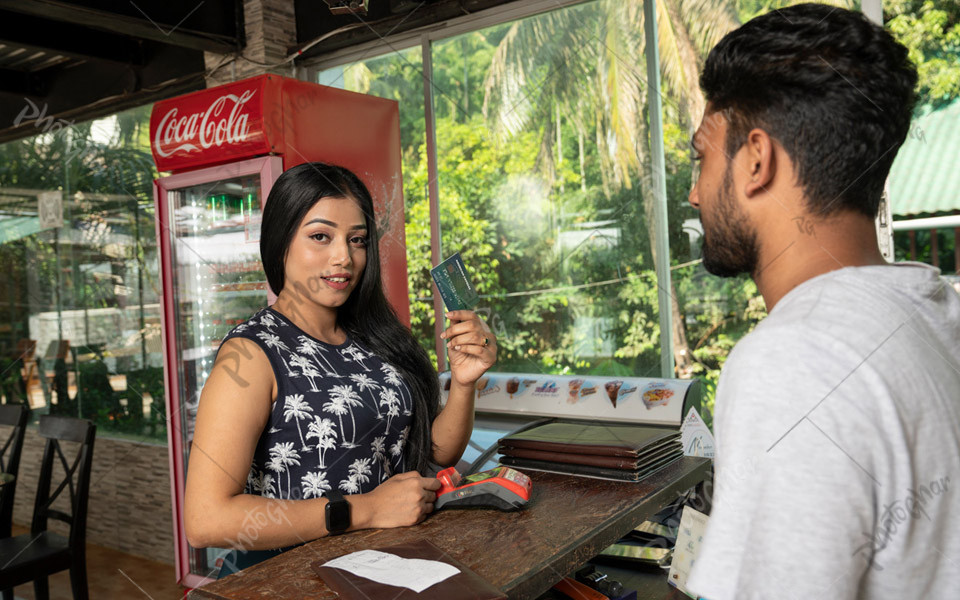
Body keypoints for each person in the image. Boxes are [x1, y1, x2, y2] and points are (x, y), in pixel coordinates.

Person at [683, 4, 960, 599]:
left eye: (701, 158)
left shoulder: (795, 361)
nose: (694, 191)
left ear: (756, 160)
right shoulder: (938, 311)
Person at [183, 163, 496, 576]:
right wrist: (364, 510)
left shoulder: (373, 339)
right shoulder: (250, 356)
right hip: (287, 580)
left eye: (357, 240)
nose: (343, 257)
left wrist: (463, 383)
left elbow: (434, 453)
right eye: (320, 237)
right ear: (280, 243)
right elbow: (206, 520)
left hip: (385, 569)